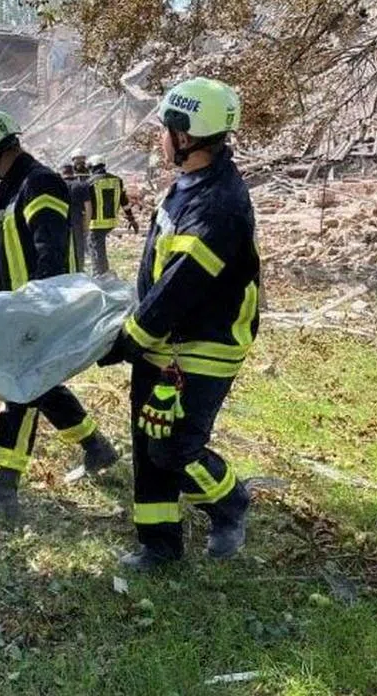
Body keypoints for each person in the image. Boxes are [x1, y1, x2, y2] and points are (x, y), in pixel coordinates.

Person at [98, 77, 257, 570]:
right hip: (164, 343)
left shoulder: (218, 206)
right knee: (150, 443)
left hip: (204, 345)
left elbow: (180, 288)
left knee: (177, 449)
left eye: (166, 127)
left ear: (186, 135)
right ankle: (159, 546)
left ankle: (229, 503)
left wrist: (126, 340)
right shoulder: (191, 184)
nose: (160, 137)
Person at [0, 111, 118, 522]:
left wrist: (38, 309)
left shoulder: (40, 182)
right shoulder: (10, 189)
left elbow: (50, 248)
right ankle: (96, 446)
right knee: (40, 385)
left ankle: (4, 487)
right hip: (24, 307)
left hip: (39, 307)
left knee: (20, 388)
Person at [86, 154, 139, 275]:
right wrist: (131, 219)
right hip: (111, 222)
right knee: (100, 249)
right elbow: (124, 201)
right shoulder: (117, 180)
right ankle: (103, 272)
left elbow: (87, 204)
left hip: (96, 223)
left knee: (96, 250)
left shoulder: (90, 182)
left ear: (92, 167)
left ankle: (100, 275)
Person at [62, 162, 90, 273]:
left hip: (62, 220)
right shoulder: (81, 185)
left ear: (63, 173)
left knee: (64, 248)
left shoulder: (57, 185)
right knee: (79, 249)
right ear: (73, 172)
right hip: (77, 220)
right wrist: (86, 224)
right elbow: (88, 207)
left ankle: (65, 272)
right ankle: (79, 271)